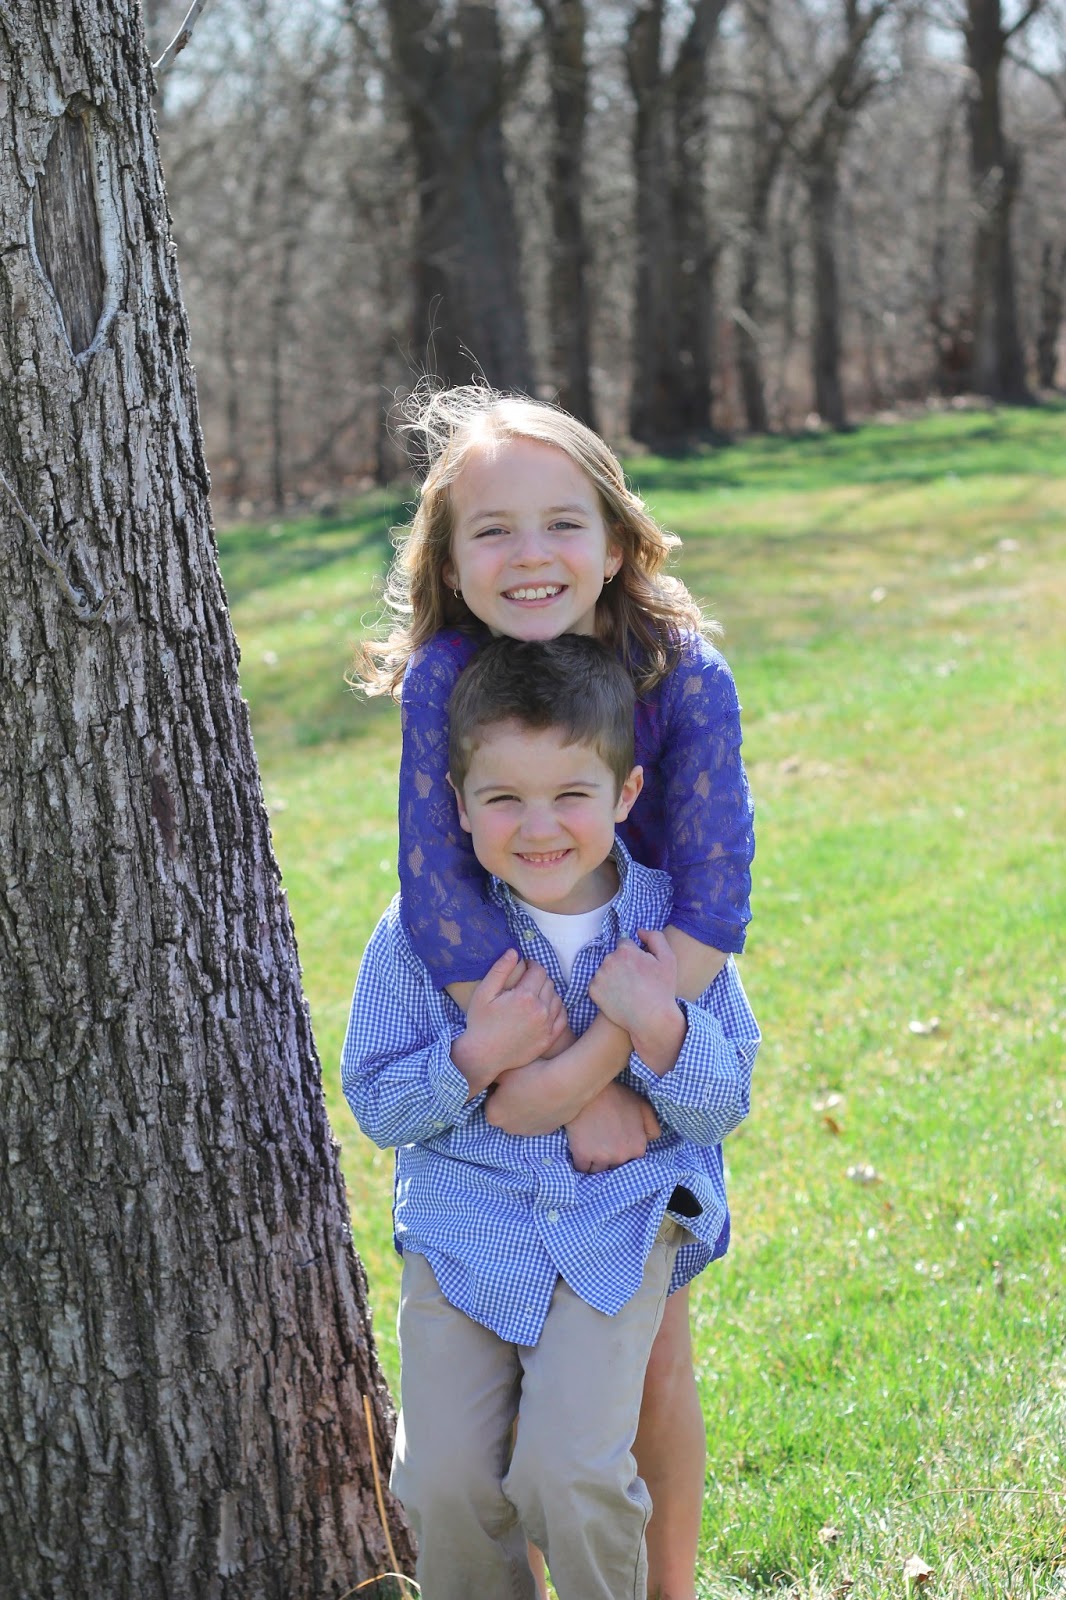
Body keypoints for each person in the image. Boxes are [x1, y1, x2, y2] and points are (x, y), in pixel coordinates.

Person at [358, 383, 754, 1600]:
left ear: (618, 541)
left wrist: (611, 1066)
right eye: (493, 530)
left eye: (562, 523)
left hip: (651, 989)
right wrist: (532, 1076)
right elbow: (437, 893)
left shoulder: (681, 674)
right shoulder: (444, 679)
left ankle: (662, 1590)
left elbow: (712, 897)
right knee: (491, 1436)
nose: (530, 555)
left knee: (645, 1366)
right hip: (507, 1033)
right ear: (448, 561)